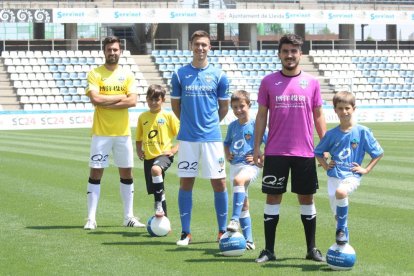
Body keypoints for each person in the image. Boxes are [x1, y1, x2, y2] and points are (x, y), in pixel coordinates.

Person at [253, 34, 327, 263]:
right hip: (275, 151)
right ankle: (269, 250)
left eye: (293, 51)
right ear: (279, 54)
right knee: (273, 199)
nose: (289, 55)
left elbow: (318, 115)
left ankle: (311, 249)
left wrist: (323, 147)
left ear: (300, 54)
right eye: (285, 51)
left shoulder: (312, 83)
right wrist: (257, 146)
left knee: (307, 199)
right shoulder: (268, 82)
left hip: (304, 152)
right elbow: (262, 115)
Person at [170, 30, 230, 246]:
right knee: (186, 183)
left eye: (204, 44)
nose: (200, 48)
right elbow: (176, 106)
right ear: (191, 46)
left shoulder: (220, 76)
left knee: (220, 183)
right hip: (187, 138)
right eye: (197, 44)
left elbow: (223, 108)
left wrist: (208, 123)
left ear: (209, 48)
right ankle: (185, 233)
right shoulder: (179, 74)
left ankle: (222, 231)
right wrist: (189, 122)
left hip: (212, 138)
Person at [83, 36, 145, 230]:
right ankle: (91, 218)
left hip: (122, 134)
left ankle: (128, 217)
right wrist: (119, 97)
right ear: (104, 51)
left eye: (115, 50)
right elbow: (95, 100)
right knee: (96, 172)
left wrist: (106, 99)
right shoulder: (95, 73)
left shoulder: (127, 75)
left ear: (120, 52)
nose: (112, 53)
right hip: (101, 133)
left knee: (127, 173)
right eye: (109, 49)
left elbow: (132, 101)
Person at [314, 91, 384, 245]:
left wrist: (365, 170)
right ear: (335, 110)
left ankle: (340, 232)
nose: (344, 112)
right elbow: (318, 152)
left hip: (351, 175)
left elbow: (378, 153)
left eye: (347, 108)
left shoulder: (362, 131)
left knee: (341, 192)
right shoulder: (331, 134)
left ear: (354, 108)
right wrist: (326, 166)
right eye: (340, 108)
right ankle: (343, 244)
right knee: (337, 215)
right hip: (334, 176)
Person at [224, 90, 267, 251]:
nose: (238, 110)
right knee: (243, 204)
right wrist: (227, 154)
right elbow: (227, 143)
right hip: (235, 165)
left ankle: (234, 220)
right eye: (234, 107)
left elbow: (269, 143)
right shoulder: (232, 126)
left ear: (249, 105)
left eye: (241, 106)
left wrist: (261, 158)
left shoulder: (257, 125)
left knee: (239, 181)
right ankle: (249, 240)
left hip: (250, 165)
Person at [136, 84, 180, 218]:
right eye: (150, 99)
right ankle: (164, 220)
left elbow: (183, 136)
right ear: (146, 99)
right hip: (149, 157)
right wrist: (139, 150)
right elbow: (139, 137)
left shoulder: (168, 116)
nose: (153, 102)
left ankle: (158, 204)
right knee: (158, 189)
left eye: (157, 99)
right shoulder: (143, 117)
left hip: (164, 155)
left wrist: (174, 150)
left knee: (156, 170)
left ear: (163, 100)